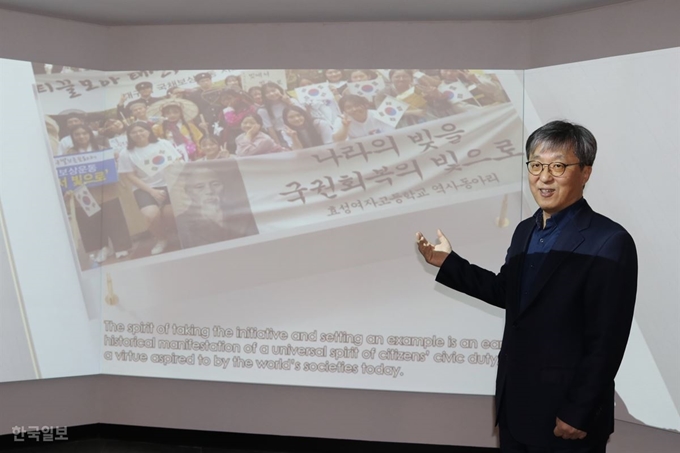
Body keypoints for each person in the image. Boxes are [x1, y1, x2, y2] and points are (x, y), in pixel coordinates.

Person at [416, 121, 638, 452]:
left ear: (586, 172)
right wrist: (448, 263)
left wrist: (578, 411)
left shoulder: (609, 241)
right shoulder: (525, 230)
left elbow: (607, 340)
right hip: (516, 408)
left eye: (558, 166)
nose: (544, 177)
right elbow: (508, 292)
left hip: (566, 416)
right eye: (536, 165)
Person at [65, 125, 132, 262]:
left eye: (84, 133)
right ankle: (102, 248)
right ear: (73, 137)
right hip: (82, 191)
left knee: (113, 216)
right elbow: (66, 173)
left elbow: (114, 168)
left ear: (90, 134)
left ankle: (120, 246)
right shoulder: (69, 154)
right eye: (77, 134)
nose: (81, 136)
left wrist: (114, 159)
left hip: (105, 189)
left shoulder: (103, 150)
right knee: (90, 220)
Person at [118, 122, 184, 255]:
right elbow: (130, 176)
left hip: (168, 183)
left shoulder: (163, 143)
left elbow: (177, 159)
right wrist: (152, 191)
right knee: (150, 215)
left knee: (169, 214)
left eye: (141, 130)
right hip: (145, 187)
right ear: (129, 135)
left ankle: (178, 236)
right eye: (134, 132)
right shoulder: (125, 153)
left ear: (148, 131)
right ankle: (161, 239)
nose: (138, 134)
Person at [174, 164, 259, 249]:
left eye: (215, 184)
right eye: (200, 187)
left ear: (223, 186)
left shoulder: (243, 214)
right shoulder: (183, 222)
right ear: (189, 192)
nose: (209, 191)